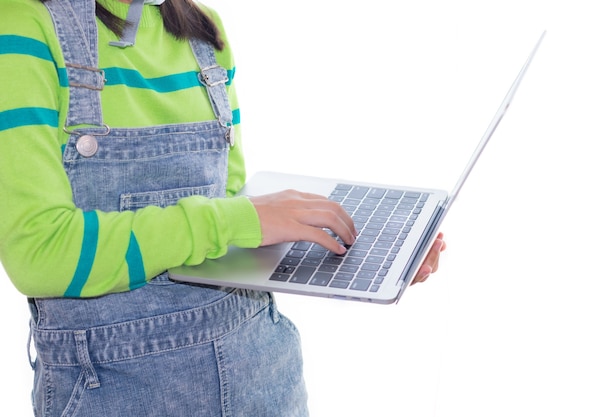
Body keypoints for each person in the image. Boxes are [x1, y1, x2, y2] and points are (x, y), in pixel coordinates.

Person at [0, 0, 446, 415]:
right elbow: (40, 254)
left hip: (266, 375)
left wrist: (365, 256)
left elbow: (231, 229)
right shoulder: (21, 27)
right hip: (119, 388)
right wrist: (241, 218)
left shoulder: (202, 32)